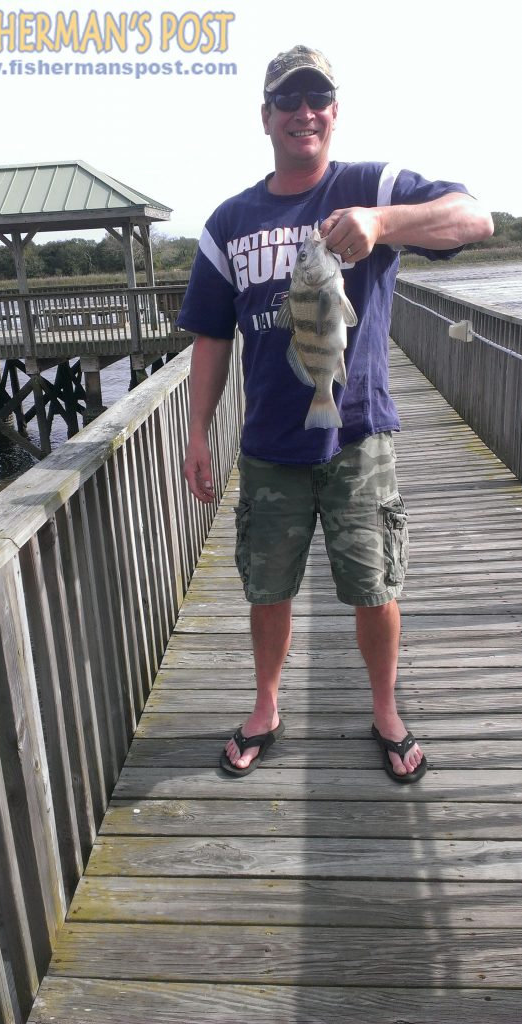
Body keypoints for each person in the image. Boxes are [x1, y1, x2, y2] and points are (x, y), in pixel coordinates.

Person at [177, 45, 493, 782]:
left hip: (357, 439)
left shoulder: (369, 185)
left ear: (333, 112)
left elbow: (472, 219)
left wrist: (383, 223)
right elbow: (209, 336)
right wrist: (197, 431)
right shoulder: (228, 222)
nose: (303, 112)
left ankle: (384, 708)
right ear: (266, 118)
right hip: (267, 446)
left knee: (373, 586)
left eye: (316, 98)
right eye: (287, 101)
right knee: (267, 588)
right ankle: (265, 705)